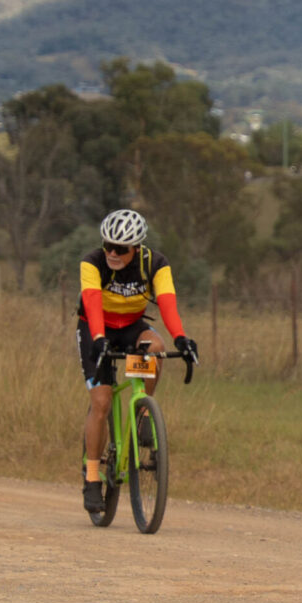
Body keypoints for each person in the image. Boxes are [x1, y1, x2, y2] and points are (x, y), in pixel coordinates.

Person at [77, 208, 198, 513]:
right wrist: (98, 338)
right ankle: (92, 477)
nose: (112, 253)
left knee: (155, 347)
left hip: (131, 326)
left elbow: (168, 304)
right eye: (108, 246)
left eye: (121, 249)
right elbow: (91, 303)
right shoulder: (92, 262)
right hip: (96, 328)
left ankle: (144, 411)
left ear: (137, 247)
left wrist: (181, 338)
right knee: (102, 403)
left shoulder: (155, 264)